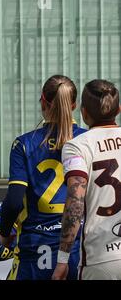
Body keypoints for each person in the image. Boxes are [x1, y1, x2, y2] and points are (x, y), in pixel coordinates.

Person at [0, 75, 86, 280]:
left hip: (34, 247)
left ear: (43, 101)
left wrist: (3, 234)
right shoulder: (85, 140)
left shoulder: (24, 143)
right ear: (73, 105)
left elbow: (13, 201)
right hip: (76, 249)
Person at [52, 80, 121, 280]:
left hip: (100, 258)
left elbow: (75, 202)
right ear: (118, 109)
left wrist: (63, 259)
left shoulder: (77, 146)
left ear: (83, 112)